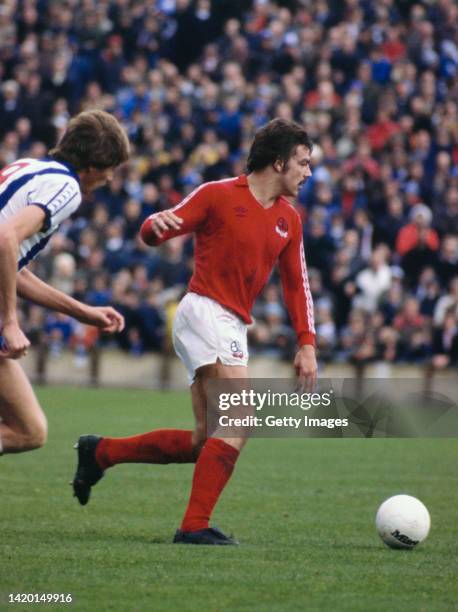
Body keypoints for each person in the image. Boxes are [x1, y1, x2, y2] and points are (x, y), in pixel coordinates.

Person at [72, 118, 317, 545]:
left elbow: (298, 284)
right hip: (204, 310)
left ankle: (102, 451)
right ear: (278, 162)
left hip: (232, 324)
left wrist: (307, 343)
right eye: (303, 162)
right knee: (241, 418)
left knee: (205, 442)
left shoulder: (288, 221)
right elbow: (157, 227)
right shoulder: (218, 194)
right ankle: (193, 527)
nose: (308, 172)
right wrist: (154, 227)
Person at [0, 109, 130, 455]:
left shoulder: (32, 167)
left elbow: (11, 264)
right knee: (27, 430)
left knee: (30, 429)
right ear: (94, 165)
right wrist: (10, 322)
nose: (109, 178)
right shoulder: (67, 187)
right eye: (111, 168)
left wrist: (81, 311)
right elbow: (5, 238)